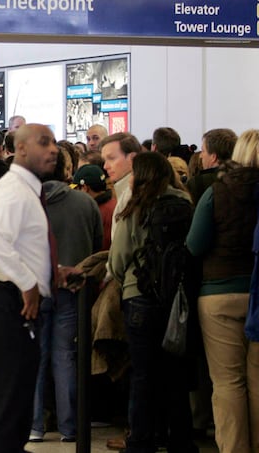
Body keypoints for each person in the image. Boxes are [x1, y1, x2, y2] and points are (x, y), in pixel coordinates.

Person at [0, 123, 61, 453]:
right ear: (20, 149)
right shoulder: (13, 190)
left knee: (0, 399)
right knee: (11, 403)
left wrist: (52, 272)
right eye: (43, 142)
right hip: (8, 301)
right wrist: (28, 282)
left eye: (54, 143)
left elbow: (15, 245)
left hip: (3, 298)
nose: (53, 149)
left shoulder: (24, 191)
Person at [108, 152, 197, 453]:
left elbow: (118, 258)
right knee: (175, 373)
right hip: (177, 299)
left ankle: (141, 441)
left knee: (143, 375)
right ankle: (181, 441)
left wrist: (125, 282)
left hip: (140, 297)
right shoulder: (186, 204)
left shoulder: (135, 207)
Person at [186, 129, 259, 453]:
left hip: (218, 293)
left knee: (228, 382)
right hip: (256, 292)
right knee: (257, 382)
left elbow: (194, 244)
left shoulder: (217, 192)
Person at [30, 148, 102, 444]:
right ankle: (70, 427)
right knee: (65, 357)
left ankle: (34, 425)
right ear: (67, 169)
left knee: (35, 358)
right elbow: (97, 247)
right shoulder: (86, 203)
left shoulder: (27, 204)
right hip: (74, 291)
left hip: (33, 290)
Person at [186, 128, 237, 205]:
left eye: (203, 151)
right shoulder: (243, 181)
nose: (200, 156)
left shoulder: (197, 184)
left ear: (213, 157)